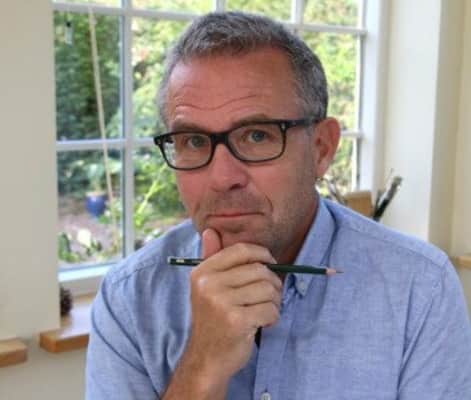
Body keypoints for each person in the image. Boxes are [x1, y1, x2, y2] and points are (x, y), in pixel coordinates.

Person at [86, 11, 471, 400]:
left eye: (257, 136)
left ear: (321, 149)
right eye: (194, 142)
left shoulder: (420, 289)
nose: (223, 177)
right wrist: (202, 366)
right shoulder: (129, 298)